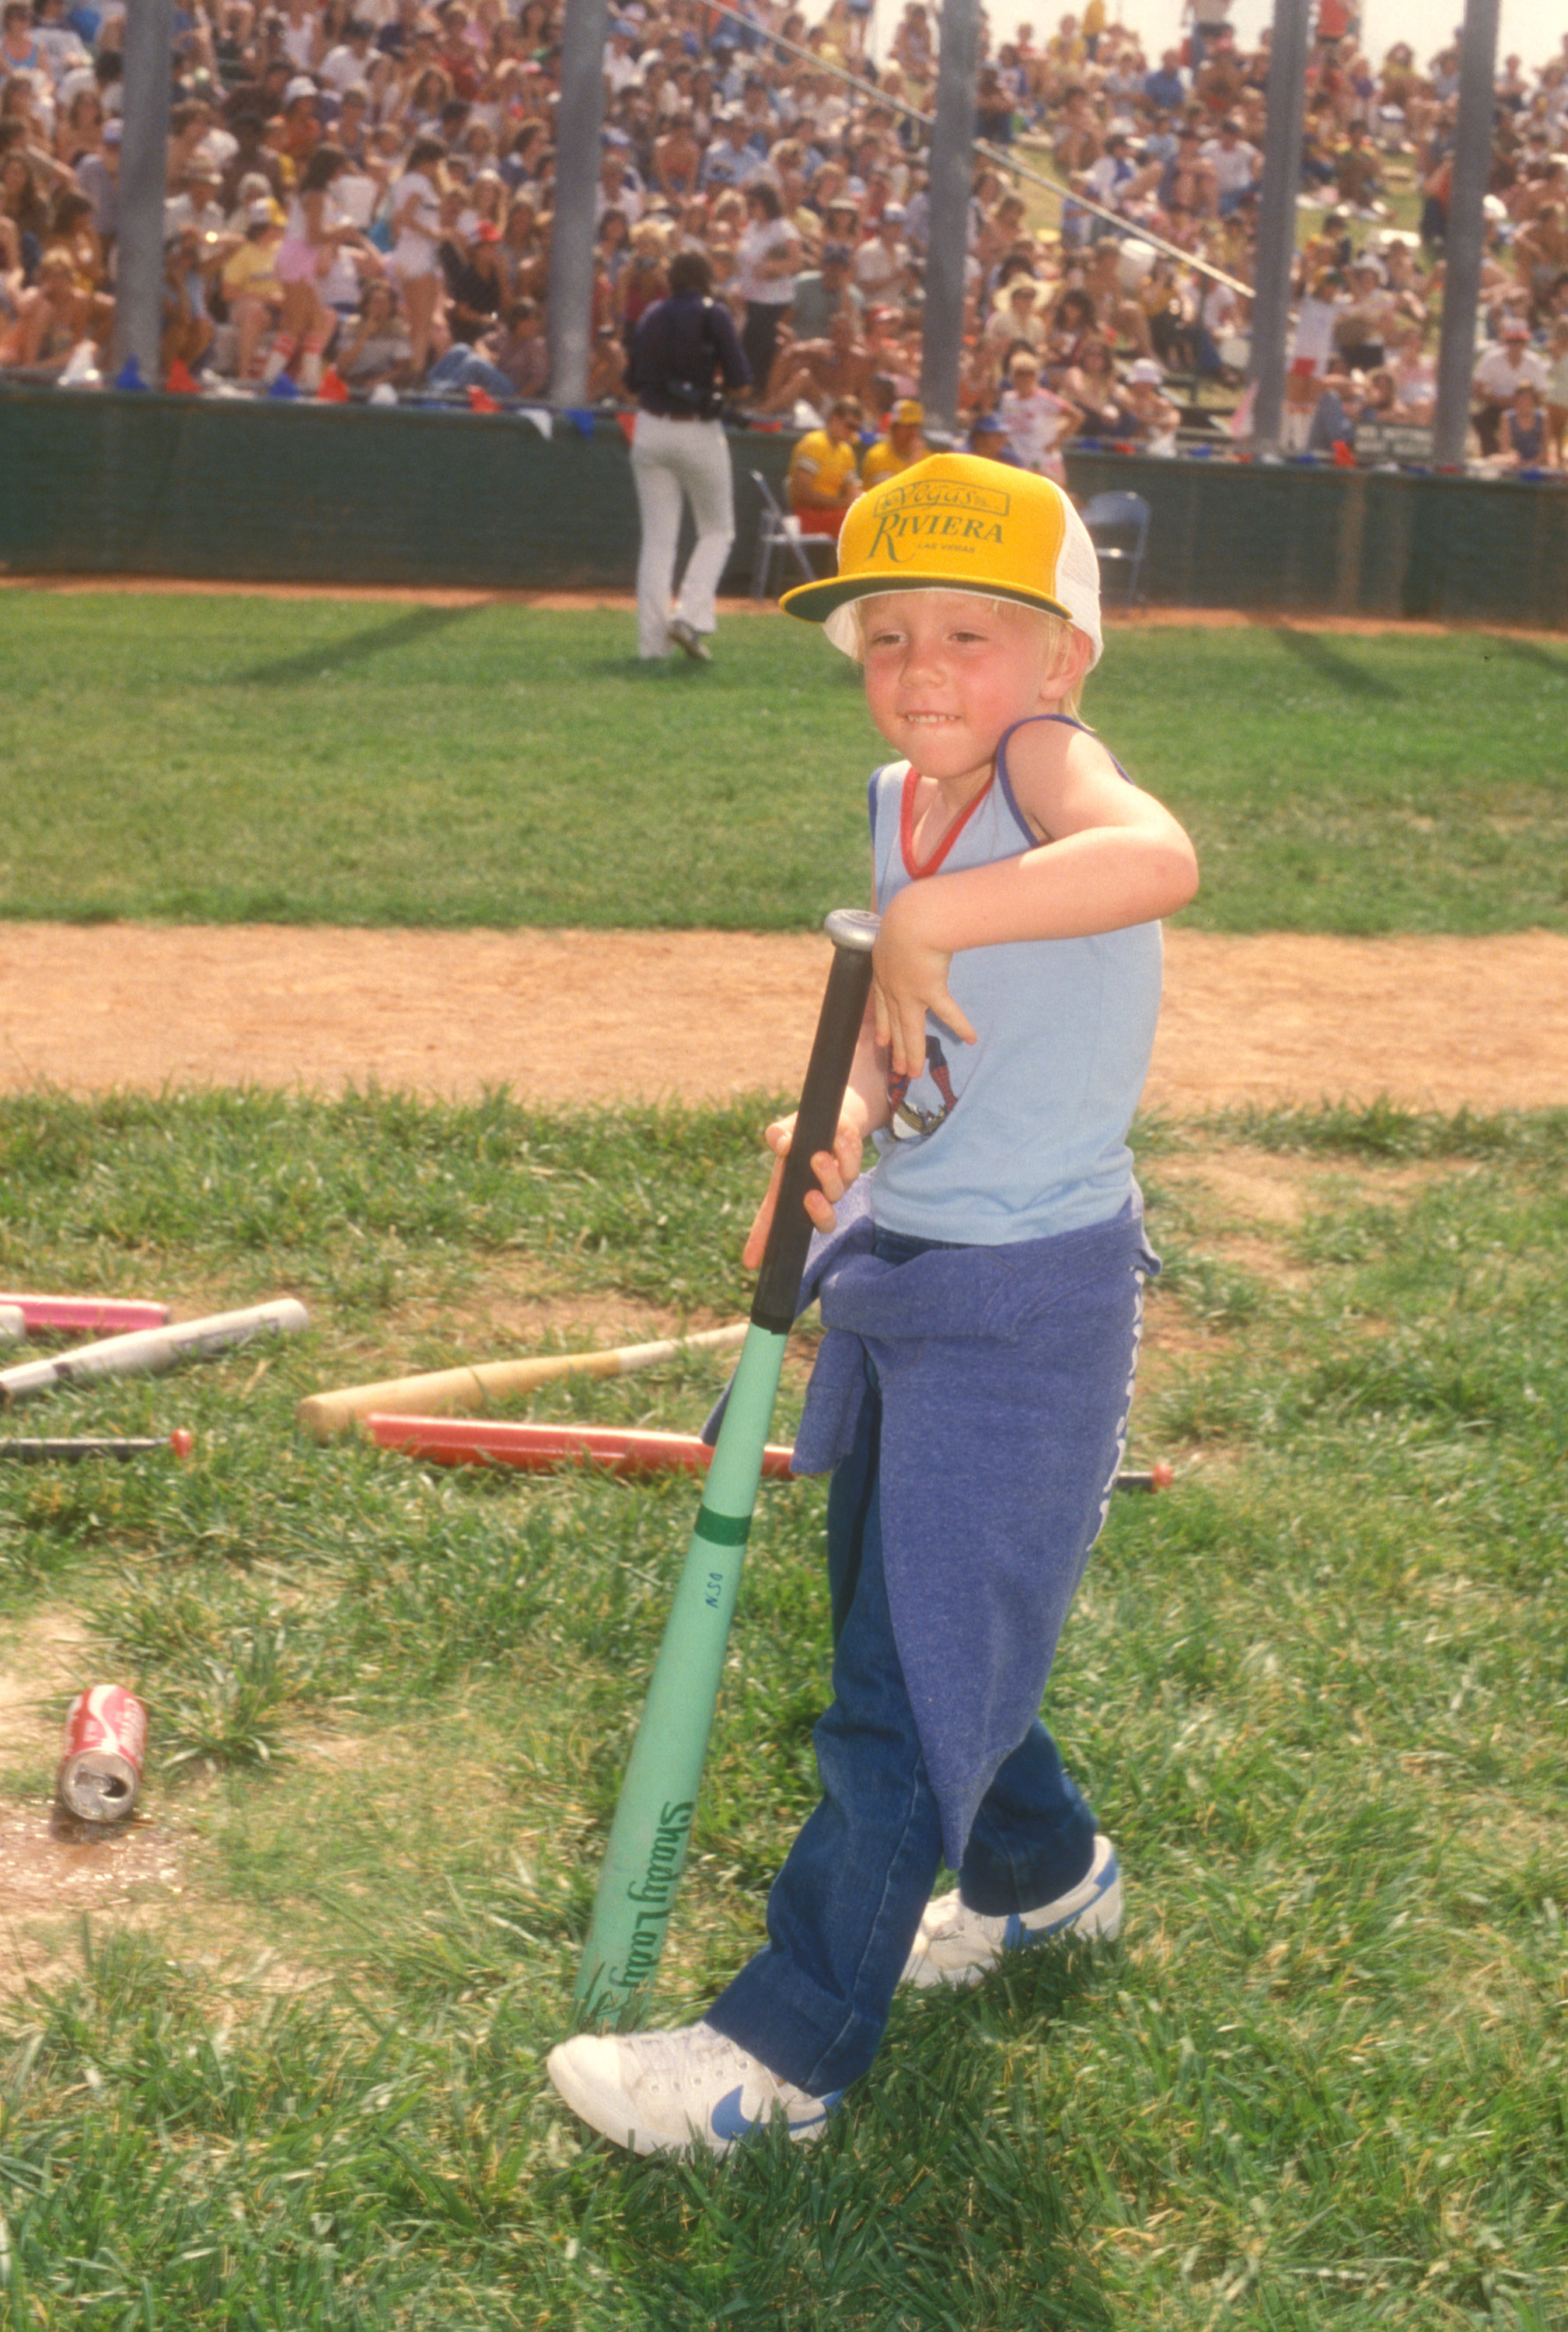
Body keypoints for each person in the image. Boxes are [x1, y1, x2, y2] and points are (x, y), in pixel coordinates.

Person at [546, 453, 1199, 2157]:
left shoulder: (1048, 768)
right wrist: (829, 1130)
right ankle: (1046, 1878)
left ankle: (785, 2056)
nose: (923, 667)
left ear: (1061, 658)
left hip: (1026, 1302)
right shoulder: (893, 799)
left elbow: (1158, 860)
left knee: (899, 1686)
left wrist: (932, 910)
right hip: (911, 1267)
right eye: (887, 631)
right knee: (905, 1612)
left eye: (975, 636)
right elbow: (905, 1037)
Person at [623, 245, 751, 665]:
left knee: (658, 544)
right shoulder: (714, 313)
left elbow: (632, 378)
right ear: (704, 279)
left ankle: (651, 649)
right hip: (695, 430)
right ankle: (689, 615)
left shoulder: (651, 315)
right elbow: (742, 384)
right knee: (718, 531)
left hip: (649, 427)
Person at [786, 392, 865, 536]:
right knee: (858, 522)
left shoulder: (846, 451)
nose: (852, 432)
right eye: (849, 426)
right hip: (807, 515)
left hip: (833, 514)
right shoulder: (814, 443)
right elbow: (803, 495)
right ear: (835, 419)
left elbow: (854, 492)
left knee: (871, 518)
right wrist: (843, 503)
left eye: (856, 429)